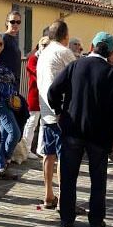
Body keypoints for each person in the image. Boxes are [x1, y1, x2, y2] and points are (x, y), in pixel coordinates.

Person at [48, 32, 113, 227]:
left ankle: (66, 218)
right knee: (98, 179)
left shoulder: (74, 66)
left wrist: (59, 112)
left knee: (69, 175)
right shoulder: (112, 73)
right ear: (109, 52)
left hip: (72, 129)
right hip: (99, 134)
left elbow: (53, 90)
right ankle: (96, 220)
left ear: (92, 46)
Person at [37, 20, 76, 209]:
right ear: (66, 36)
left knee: (48, 154)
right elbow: (76, 76)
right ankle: (63, 198)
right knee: (63, 157)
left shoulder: (43, 53)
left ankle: (48, 195)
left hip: (46, 112)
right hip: (60, 111)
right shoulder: (64, 52)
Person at [0, 32, 20, 179]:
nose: (2, 47)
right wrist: (9, 75)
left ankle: (0, 167)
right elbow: (8, 75)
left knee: (4, 135)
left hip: (7, 100)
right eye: (0, 44)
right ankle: (4, 160)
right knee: (15, 133)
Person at [22, 36, 50, 159]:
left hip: (45, 94)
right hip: (35, 94)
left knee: (44, 123)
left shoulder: (48, 59)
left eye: (47, 45)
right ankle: (26, 149)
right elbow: (36, 73)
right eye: (43, 45)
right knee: (32, 122)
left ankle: (41, 148)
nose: (45, 47)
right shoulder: (34, 59)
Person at [0, 11, 22, 88]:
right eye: (12, 22)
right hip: (5, 83)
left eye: (18, 22)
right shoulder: (3, 38)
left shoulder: (14, 39)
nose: (15, 24)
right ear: (7, 23)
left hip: (15, 82)